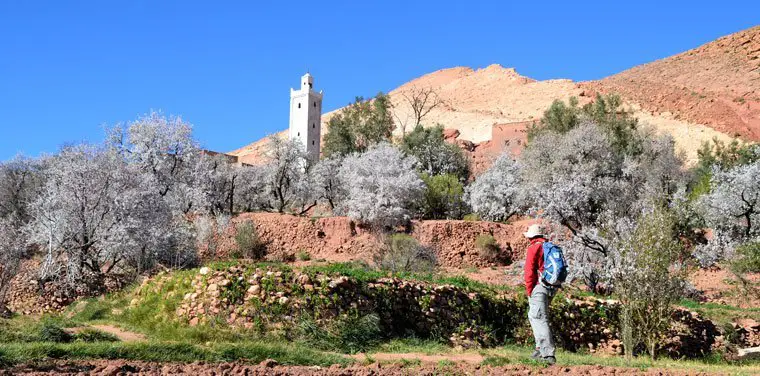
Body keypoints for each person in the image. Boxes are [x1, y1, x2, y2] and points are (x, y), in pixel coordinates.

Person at [523, 223, 556, 365]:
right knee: (534, 315)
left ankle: (548, 354)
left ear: (531, 236)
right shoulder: (548, 246)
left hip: (538, 286)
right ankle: (539, 348)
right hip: (551, 286)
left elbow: (530, 271)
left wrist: (529, 290)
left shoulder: (534, 247)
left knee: (539, 318)